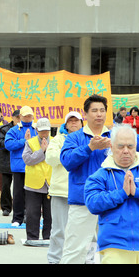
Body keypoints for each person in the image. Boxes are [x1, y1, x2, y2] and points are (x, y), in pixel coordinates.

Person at [85, 123, 139, 264]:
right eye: (120, 146)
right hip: (115, 246)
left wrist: (138, 192)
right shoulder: (100, 175)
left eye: (130, 146)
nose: (126, 151)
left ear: (136, 148)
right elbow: (93, 203)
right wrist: (121, 194)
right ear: (111, 147)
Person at [59, 94, 111, 264]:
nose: (99, 114)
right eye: (94, 110)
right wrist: (90, 147)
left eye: (102, 110)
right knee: (75, 249)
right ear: (86, 114)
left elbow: (138, 144)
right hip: (83, 201)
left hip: (111, 200)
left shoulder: (114, 135)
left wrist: (117, 141)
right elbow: (67, 161)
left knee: (110, 249)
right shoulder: (75, 137)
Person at [45, 111, 83, 264]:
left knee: (83, 231)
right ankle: (55, 259)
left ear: (81, 123)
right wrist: (73, 155)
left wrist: (69, 156)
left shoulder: (87, 139)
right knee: (59, 230)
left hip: (81, 191)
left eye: (76, 121)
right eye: (70, 121)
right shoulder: (57, 139)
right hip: (61, 191)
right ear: (66, 124)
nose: (73, 123)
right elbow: (50, 158)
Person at [5, 106, 37, 226]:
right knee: (18, 194)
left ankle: (30, 218)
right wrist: (24, 141)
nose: (28, 118)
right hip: (19, 167)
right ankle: (17, 218)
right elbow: (8, 144)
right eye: (25, 116)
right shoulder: (14, 130)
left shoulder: (37, 129)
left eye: (30, 116)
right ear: (20, 117)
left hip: (34, 166)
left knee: (33, 195)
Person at [22, 118, 53, 243]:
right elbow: (27, 159)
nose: (44, 133)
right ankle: (32, 238)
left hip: (50, 184)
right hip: (33, 184)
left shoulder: (55, 142)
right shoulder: (30, 142)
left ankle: (48, 238)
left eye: (46, 131)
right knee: (32, 213)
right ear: (37, 130)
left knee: (50, 215)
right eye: (42, 131)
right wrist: (42, 151)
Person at [0, 109, 20, 216]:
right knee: (5, 186)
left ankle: (20, 208)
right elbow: (1, 144)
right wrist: (15, 144)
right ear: (13, 118)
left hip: (20, 163)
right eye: (17, 118)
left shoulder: (27, 129)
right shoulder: (3, 129)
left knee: (19, 187)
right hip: (7, 161)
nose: (19, 120)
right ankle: (6, 207)